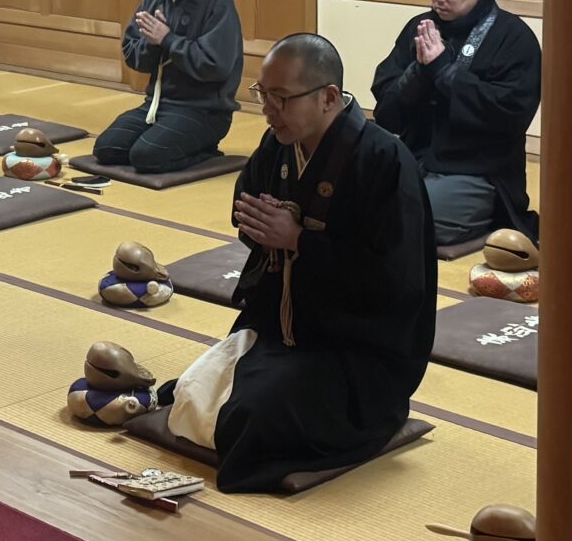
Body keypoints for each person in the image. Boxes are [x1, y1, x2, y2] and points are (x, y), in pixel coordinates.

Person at [150, 34, 436, 493]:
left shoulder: (384, 159)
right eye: (263, 94)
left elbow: (397, 282)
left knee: (248, 417)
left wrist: (301, 240)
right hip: (282, 330)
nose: (267, 109)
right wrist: (272, 233)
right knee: (189, 392)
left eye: (280, 98)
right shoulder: (280, 144)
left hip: (358, 353)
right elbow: (247, 213)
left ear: (327, 97)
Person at [371, 0, 543, 243]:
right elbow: (387, 114)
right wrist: (420, 72)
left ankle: (481, 218)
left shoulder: (514, 38)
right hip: (416, 160)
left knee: (406, 220)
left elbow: (510, 116)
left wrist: (446, 71)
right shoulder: (420, 28)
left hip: (478, 173)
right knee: (355, 196)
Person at [93, 0, 245, 174]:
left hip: (203, 110)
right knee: (106, 149)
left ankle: (206, 151)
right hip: (156, 105)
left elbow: (216, 67)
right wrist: (152, 46)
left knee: (146, 157)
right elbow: (132, 55)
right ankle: (171, 142)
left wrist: (168, 40)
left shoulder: (217, 2)